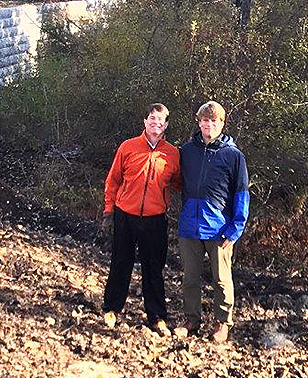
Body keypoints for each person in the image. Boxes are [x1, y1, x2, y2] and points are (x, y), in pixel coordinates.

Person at [101, 104, 181, 335]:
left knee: (153, 268)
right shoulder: (128, 147)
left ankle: (156, 316)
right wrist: (109, 211)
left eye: (161, 120)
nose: (157, 123)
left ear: (166, 125)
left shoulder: (172, 153)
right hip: (125, 215)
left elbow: (179, 183)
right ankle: (112, 309)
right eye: (152, 118)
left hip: (155, 220)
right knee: (120, 263)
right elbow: (113, 181)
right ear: (144, 121)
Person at [175, 101, 249, 343]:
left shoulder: (233, 156)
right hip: (189, 226)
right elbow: (175, 182)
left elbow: (241, 194)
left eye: (214, 121)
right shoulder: (186, 151)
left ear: (222, 123)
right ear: (199, 123)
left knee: (221, 279)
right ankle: (191, 320)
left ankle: (222, 323)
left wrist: (235, 228)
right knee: (190, 277)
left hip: (219, 229)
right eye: (205, 121)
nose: (209, 125)